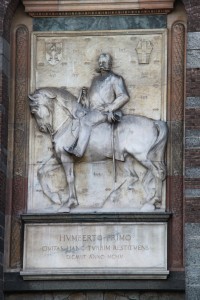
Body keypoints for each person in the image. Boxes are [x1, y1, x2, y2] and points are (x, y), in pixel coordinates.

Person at [64, 53, 130, 157]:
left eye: (104, 62)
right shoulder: (95, 80)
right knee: (77, 115)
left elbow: (124, 96)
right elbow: (91, 103)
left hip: (105, 112)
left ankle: (79, 151)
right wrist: (85, 98)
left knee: (85, 121)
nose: (101, 64)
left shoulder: (115, 79)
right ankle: (74, 143)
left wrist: (110, 107)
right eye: (100, 62)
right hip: (94, 111)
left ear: (109, 63)